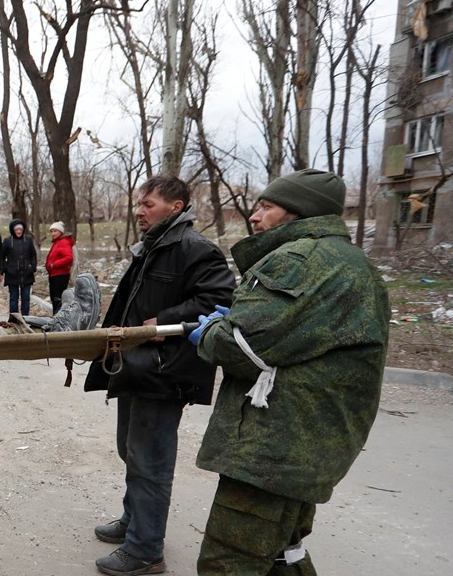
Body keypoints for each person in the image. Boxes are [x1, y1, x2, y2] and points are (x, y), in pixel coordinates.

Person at [189, 169, 389, 575]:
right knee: (284, 552)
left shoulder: (299, 259)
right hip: (312, 446)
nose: (254, 216)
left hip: (274, 450)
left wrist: (212, 332)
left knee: (228, 561)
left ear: (298, 212)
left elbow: (242, 346)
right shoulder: (352, 263)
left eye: (266, 207)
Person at [83, 175, 236, 576]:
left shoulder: (195, 249)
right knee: (129, 449)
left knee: (150, 459)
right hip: (135, 364)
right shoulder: (153, 246)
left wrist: (164, 321)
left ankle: (146, 551)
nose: (139, 211)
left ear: (176, 206)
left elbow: (219, 300)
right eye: (139, 203)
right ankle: (134, 521)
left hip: (165, 371)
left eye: (148, 204)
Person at [1, 218, 38, 315]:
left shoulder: (28, 240)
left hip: (27, 274)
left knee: (26, 298)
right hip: (12, 275)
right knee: (14, 299)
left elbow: (33, 255)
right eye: (16, 229)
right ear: (13, 230)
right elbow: (1, 257)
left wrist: (32, 267)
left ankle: (25, 319)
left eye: (20, 229)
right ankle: (14, 319)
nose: (19, 231)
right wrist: (7, 269)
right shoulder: (8, 241)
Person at [45, 221, 75, 313]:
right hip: (54, 275)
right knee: (54, 298)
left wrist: (54, 265)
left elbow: (69, 257)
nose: (53, 233)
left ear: (61, 232)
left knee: (58, 299)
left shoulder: (63, 242)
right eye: (51, 231)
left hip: (60, 275)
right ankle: (56, 316)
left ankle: (58, 317)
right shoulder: (57, 242)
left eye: (55, 231)